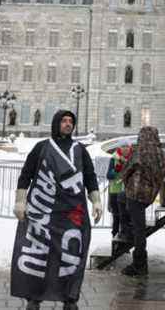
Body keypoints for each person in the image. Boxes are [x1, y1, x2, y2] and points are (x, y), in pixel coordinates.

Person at [10, 110, 103, 310]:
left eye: (71, 121)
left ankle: (69, 298)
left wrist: (96, 200)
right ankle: (34, 298)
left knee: (71, 255)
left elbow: (90, 176)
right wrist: (20, 200)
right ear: (56, 123)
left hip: (71, 213)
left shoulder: (80, 150)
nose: (68, 124)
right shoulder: (42, 147)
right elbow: (26, 174)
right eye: (64, 121)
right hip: (43, 211)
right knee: (39, 254)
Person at [121, 126, 165, 277]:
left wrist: (126, 181)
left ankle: (139, 265)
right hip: (149, 196)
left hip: (134, 193)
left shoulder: (138, 152)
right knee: (139, 226)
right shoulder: (163, 155)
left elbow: (126, 171)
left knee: (138, 229)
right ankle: (128, 233)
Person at [106, 145, 133, 245]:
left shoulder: (132, 159)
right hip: (115, 192)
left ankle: (125, 243)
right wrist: (116, 170)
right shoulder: (114, 159)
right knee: (117, 217)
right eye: (123, 147)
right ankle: (115, 241)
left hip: (129, 193)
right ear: (119, 148)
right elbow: (109, 175)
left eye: (127, 147)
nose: (125, 149)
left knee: (127, 217)